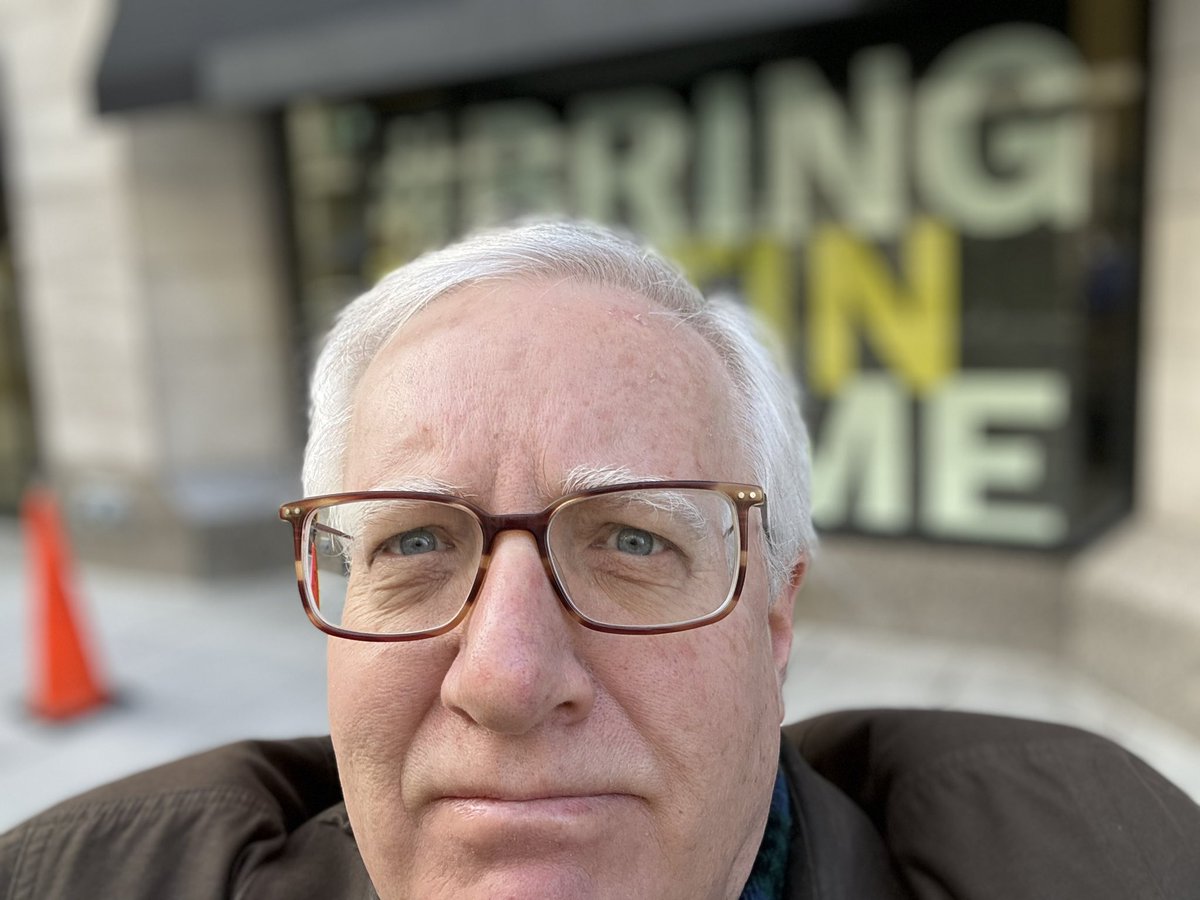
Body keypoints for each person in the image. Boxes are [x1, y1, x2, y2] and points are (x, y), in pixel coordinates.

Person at [2, 220, 1198, 899]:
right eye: (414, 541)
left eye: (634, 539)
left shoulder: (1111, 864)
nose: (508, 677)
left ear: (773, 624)